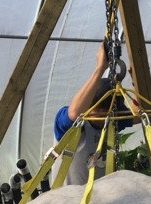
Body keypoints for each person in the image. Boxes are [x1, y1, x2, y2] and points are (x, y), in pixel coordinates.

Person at [51, 42, 138, 186]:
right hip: (68, 197)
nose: (105, 117)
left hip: (101, 196)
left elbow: (138, 114)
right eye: (100, 110)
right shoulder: (73, 125)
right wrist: (100, 68)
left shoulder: (111, 122)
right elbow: (74, 113)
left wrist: (137, 83)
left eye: (109, 112)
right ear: (90, 106)